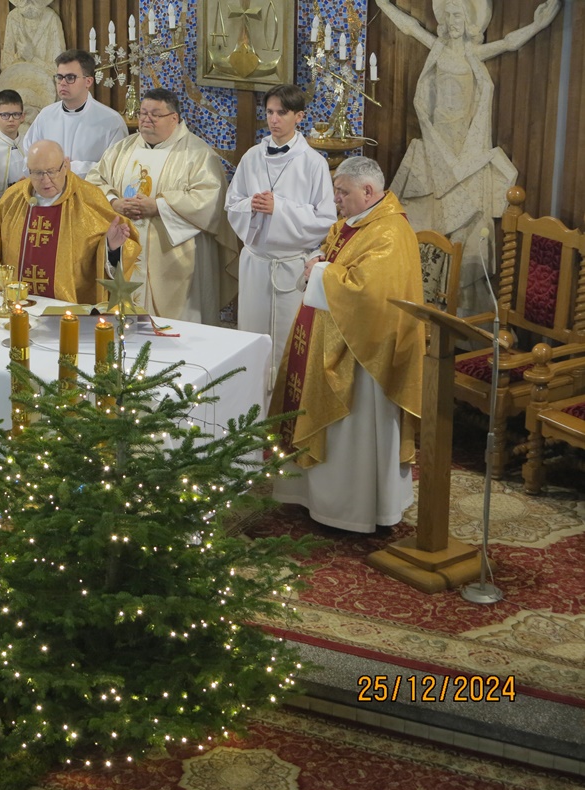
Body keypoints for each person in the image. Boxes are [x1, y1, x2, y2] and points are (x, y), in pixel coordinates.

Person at [373, 0, 560, 316]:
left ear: (468, 20)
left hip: (464, 143)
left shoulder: (473, 53)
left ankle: (459, 303)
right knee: (430, 212)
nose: (453, 20)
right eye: (449, 15)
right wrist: (382, 4)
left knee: (464, 216)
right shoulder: (438, 49)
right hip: (437, 139)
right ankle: (424, 296)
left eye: (458, 14)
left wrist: (537, 25)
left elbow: (509, 43)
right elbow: (410, 28)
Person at [269, 157, 424, 533]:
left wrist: (321, 272)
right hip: (327, 334)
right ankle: (310, 496)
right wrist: (320, 259)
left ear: (368, 191)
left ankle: (352, 510)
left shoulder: (390, 231)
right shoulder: (356, 221)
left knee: (353, 433)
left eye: (342, 192)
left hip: (364, 355)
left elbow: (369, 292)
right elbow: (337, 255)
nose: (336, 199)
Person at [88, 88, 237, 325]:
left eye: (155, 115)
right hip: (127, 249)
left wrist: (159, 206)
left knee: (176, 330)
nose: (146, 119)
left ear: (174, 118)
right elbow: (94, 182)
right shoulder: (122, 149)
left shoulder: (197, 154)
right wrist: (115, 202)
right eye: (143, 113)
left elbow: (210, 199)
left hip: (176, 262)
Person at [225, 84, 336, 385]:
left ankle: (285, 404)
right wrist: (252, 206)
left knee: (288, 344)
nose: (273, 119)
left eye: (282, 113)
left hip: (292, 268)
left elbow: (326, 220)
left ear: (299, 116)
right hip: (257, 264)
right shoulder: (252, 157)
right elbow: (232, 204)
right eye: (270, 112)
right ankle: (251, 400)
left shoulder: (314, 163)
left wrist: (280, 208)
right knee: (253, 339)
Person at [0, 139, 139, 305]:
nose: (45, 180)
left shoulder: (89, 198)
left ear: (66, 165)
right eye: (37, 173)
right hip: (18, 302)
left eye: (51, 171)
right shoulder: (13, 197)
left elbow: (124, 251)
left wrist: (111, 247)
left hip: (68, 307)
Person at [22, 49, 128, 178]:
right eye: (59, 77)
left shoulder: (111, 121)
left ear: (88, 82)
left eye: (70, 78)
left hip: (89, 189)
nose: (62, 83)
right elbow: (28, 156)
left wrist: (72, 168)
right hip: (48, 189)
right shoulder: (45, 116)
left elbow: (117, 168)